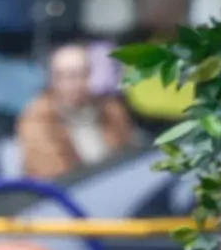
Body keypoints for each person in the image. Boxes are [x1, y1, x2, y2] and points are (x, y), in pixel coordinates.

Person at [15, 43, 135, 180]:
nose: (77, 83)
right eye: (69, 76)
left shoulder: (112, 109)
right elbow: (52, 173)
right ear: (54, 80)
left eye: (83, 74)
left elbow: (129, 157)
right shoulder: (36, 117)